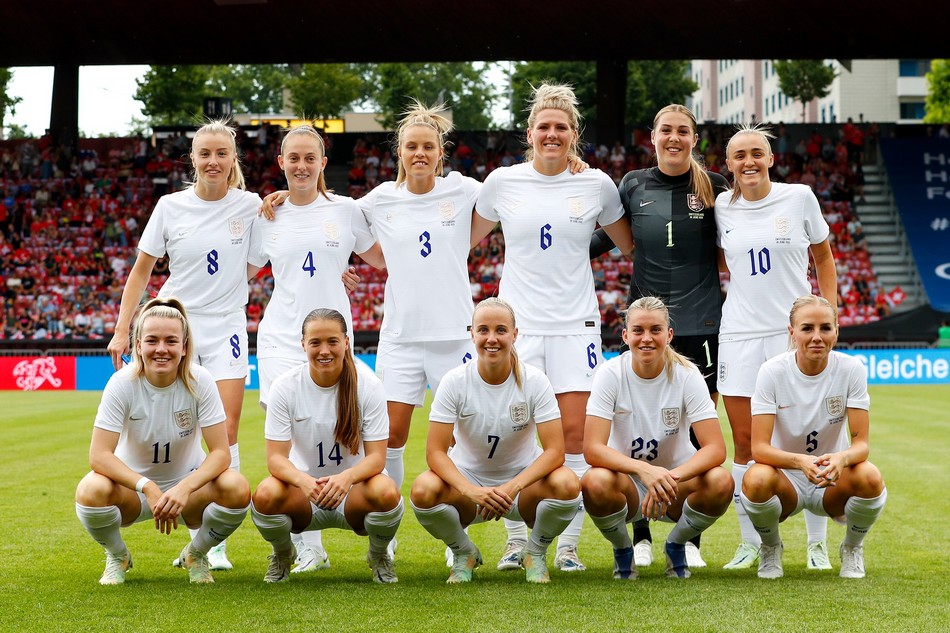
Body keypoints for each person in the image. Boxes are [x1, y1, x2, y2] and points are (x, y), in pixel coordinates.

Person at [472, 83, 634, 572]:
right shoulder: (502, 182)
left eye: (561, 127)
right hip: (517, 329)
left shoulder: (597, 185)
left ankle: (565, 546)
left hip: (575, 325)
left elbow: (629, 244)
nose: (552, 133)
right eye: (544, 126)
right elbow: (456, 237)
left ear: (574, 134)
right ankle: (516, 541)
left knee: (575, 437)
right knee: (515, 432)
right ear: (530, 132)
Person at [106, 120, 261, 570]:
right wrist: (122, 329)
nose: (213, 161)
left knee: (225, 429)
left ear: (234, 160)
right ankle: (167, 501)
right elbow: (141, 271)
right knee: (180, 425)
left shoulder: (252, 205)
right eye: (204, 153)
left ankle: (210, 540)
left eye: (221, 154)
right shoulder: (170, 206)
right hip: (176, 326)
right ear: (192, 159)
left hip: (228, 325)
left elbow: (289, 244)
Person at [590, 104, 729, 569]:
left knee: (692, 429)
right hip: (647, 323)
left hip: (701, 324)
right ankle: (642, 531)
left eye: (683, 131)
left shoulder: (716, 188)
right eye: (666, 130)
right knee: (636, 425)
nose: (674, 138)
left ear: (695, 139)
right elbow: (607, 238)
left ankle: (689, 538)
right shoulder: (632, 183)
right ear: (652, 136)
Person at [250, 125, 384, 573]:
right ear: (281, 163)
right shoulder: (265, 215)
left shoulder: (346, 210)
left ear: (324, 163)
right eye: (294, 158)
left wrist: (346, 271)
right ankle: (308, 546)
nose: (302, 166)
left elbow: (382, 258)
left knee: (340, 429)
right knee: (288, 444)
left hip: (331, 340)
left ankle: (374, 531)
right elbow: (241, 268)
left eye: (311, 158)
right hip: (280, 339)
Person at [715, 123, 838, 570]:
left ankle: (817, 542)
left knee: (812, 434)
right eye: (739, 155)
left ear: (770, 158)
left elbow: (823, 257)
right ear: (728, 165)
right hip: (740, 336)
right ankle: (757, 543)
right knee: (745, 444)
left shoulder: (799, 197)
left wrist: (828, 315)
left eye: (756, 153)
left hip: (795, 334)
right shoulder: (721, 209)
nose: (748, 161)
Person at [75, 298, 251, 585]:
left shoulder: (200, 380)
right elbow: (99, 456)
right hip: (132, 491)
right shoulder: (122, 383)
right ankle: (117, 555)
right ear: (138, 345)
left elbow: (221, 453)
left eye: (171, 341)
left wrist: (184, 488)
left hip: (187, 493)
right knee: (90, 489)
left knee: (237, 487)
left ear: (184, 347)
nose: (161, 349)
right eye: (152, 340)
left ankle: (196, 553)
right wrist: (147, 486)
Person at [410, 298, 582, 583]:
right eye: (484, 330)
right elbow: (435, 453)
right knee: (422, 490)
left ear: (515, 334)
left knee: (567, 484)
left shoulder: (535, 381)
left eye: (501, 330)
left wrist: (512, 487)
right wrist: (470, 491)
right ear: (472, 334)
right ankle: (463, 551)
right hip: (470, 487)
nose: (492, 338)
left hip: (522, 487)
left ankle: (535, 552)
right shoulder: (454, 381)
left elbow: (555, 451)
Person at [582, 296, 732, 579]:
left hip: (674, 484)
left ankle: (676, 543)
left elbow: (715, 449)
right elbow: (592, 449)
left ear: (669, 334)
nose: (646, 338)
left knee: (721, 482)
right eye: (638, 330)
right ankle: (623, 549)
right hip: (626, 483)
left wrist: (667, 478)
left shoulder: (688, 375)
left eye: (655, 330)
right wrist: (645, 471)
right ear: (625, 335)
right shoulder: (609, 374)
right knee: (594, 481)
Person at [250, 308, 403, 583]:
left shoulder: (368, 385)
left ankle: (379, 555)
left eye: (332, 341)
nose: (324, 350)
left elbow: (377, 459)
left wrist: (346, 478)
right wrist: (303, 481)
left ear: (346, 342)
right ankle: (283, 554)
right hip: (304, 496)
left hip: (354, 492)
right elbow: (275, 460)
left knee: (387, 492)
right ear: (303, 345)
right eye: (315, 342)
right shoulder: (284, 387)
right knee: (265, 494)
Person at [741, 295, 887, 579]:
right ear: (791, 332)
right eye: (807, 328)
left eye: (825, 328)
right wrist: (800, 462)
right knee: (756, 479)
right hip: (786, 480)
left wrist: (841, 458)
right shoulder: (771, 371)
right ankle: (771, 548)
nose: (817, 337)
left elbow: (861, 445)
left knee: (870, 477)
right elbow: (759, 448)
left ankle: (852, 548)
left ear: (837, 331)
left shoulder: (851, 369)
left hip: (831, 479)